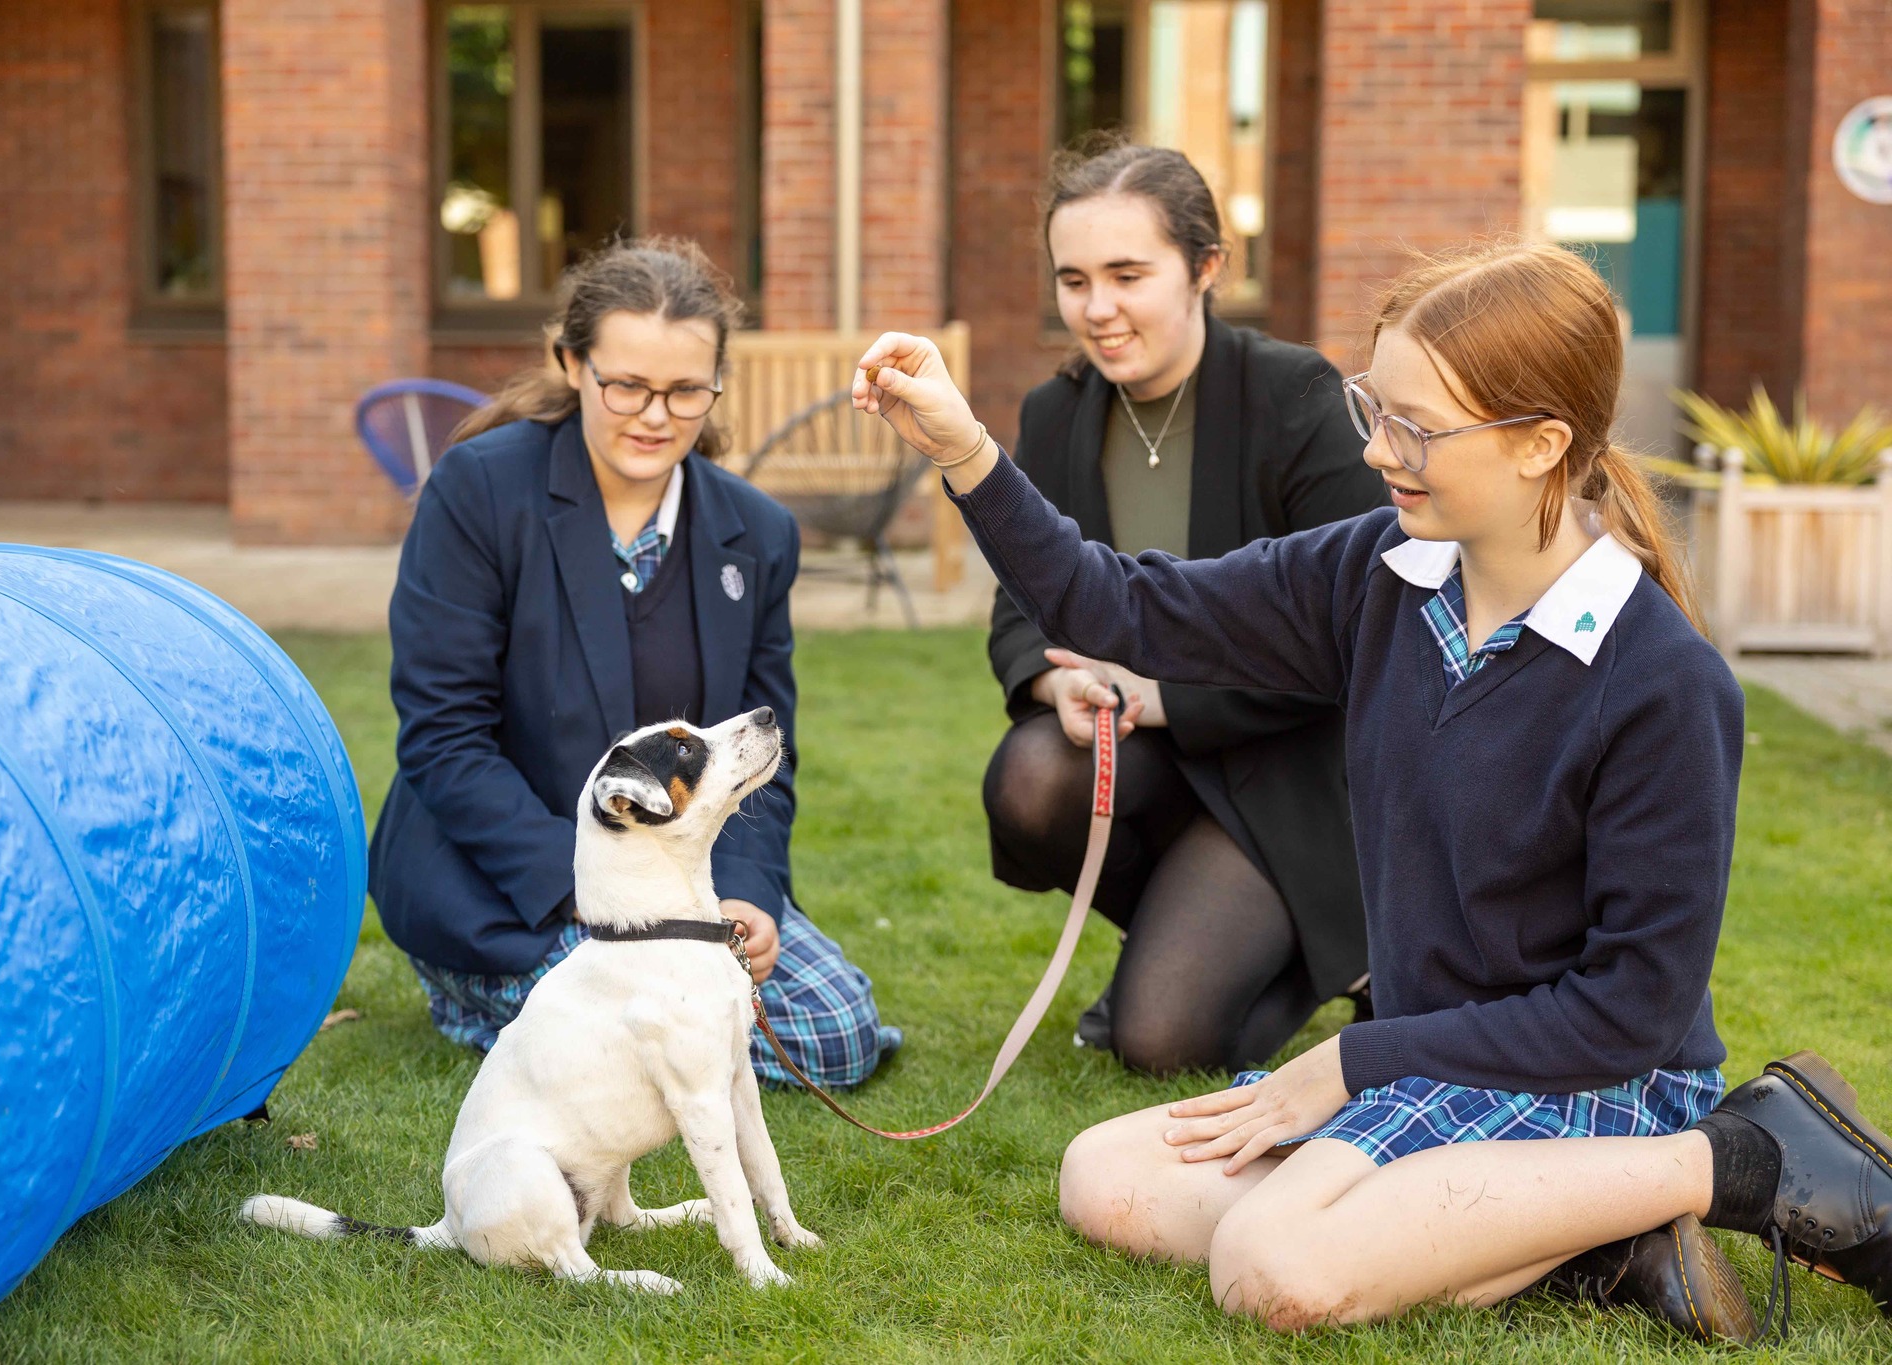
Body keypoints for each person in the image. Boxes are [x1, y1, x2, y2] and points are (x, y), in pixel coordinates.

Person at [852, 241, 1892, 1339]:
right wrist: (961, 448)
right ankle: (1589, 1242)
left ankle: (1728, 1160)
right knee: (1102, 1177)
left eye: (1416, 428)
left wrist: (1345, 1065)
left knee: (1273, 1267)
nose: (1377, 451)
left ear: (1541, 444)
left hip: (1598, 1082)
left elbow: (1626, 1010)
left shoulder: (1662, 684)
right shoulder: (1374, 574)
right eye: (1373, 409)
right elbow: (1113, 607)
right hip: (1431, 1065)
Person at [370, 237, 900, 1089]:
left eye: (686, 390)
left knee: (839, 1033)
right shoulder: (477, 492)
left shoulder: (758, 535)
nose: (655, 415)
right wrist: (597, 889)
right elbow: (443, 739)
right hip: (511, 885)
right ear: (574, 364)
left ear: (716, 384)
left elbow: (762, 756)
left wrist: (753, 896)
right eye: (627, 385)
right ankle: (489, 994)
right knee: (642, 1017)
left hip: (682, 883)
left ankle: (597, 1037)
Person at [982, 138, 1383, 1074]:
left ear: (1207, 266)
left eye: (1128, 274)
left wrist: (1166, 694)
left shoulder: (1296, 398)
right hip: (1156, 763)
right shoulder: (1055, 414)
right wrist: (1054, 685)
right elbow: (1021, 603)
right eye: (1073, 279)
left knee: (1158, 1040)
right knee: (1033, 780)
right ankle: (1190, 925)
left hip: (1291, 773)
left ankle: (1340, 945)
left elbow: (1358, 628)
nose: (1098, 308)